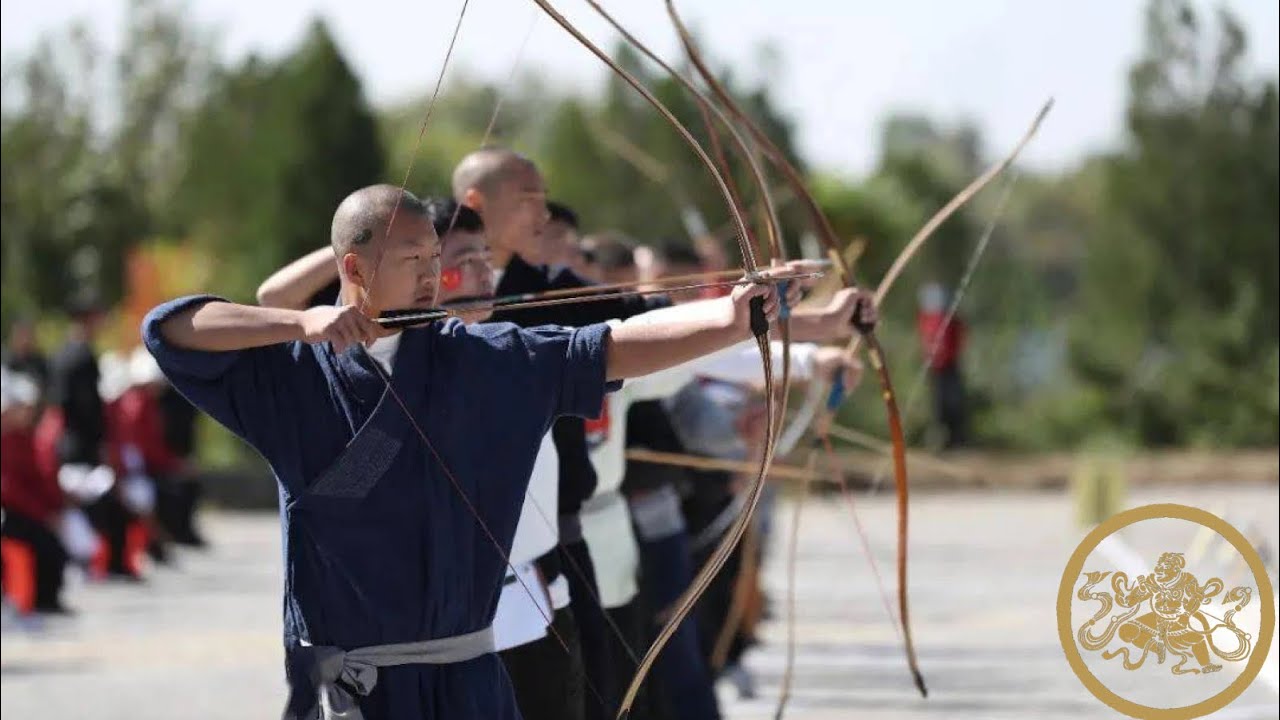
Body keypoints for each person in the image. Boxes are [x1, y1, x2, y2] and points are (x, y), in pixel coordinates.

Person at [145, 183, 799, 720]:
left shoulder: (486, 361)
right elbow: (169, 328)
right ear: (353, 269)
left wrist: (730, 320)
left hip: (467, 681)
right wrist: (301, 322)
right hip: (353, 689)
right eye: (412, 262)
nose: (433, 278)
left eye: (436, 260)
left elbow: (612, 344)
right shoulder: (291, 373)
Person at [1, 370, 70, 614]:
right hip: (13, 512)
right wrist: (42, 514)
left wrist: (53, 508)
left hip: (24, 511)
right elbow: (9, 488)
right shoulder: (7, 439)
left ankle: (46, 600)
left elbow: (37, 478)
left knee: (52, 545)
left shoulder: (23, 437)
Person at [916, 283, 968, 449]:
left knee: (953, 402)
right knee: (938, 405)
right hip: (935, 368)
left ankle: (956, 439)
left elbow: (959, 339)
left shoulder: (953, 319)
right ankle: (940, 440)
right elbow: (925, 339)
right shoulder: (926, 318)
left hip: (950, 366)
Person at [3, 317, 50, 397]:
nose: (25, 340)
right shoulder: (5, 361)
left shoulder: (40, 362)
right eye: (20, 335)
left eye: (27, 335)